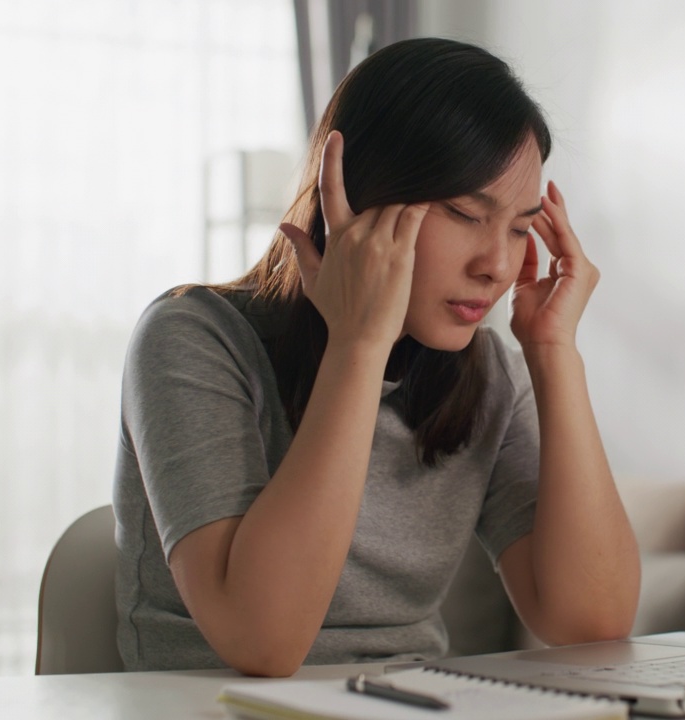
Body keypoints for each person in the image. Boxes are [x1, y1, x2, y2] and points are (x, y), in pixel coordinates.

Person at [112, 37, 640, 677]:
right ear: (355, 196)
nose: (497, 266)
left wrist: (554, 353)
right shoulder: (192, 339)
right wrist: (359, 343)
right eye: (464, 213)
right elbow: (264, 642)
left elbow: (593, 622)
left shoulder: (490, 373)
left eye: (522, 227)